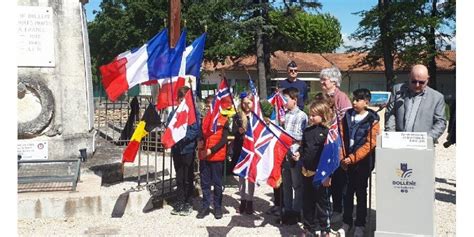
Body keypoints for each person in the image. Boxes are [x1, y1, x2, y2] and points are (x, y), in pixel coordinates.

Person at [338, 89, 380, 237]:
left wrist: (353, 158)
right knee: (346, 193)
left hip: (362, 163)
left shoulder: (373, 119)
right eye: (353, 99)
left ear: (366, 102)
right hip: (347, 161)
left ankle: (360, 224)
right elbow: (342, 135)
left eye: (357, 100)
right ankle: (346, 222)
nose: (354, 102)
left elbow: (371, 143)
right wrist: (343, 156)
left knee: (361, 193)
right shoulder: (347, 116)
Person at [293, 100, 332, 237]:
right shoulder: (307, 131)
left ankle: (325, 229)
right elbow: (304, 148)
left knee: (322, 204)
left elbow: (330, 155)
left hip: (320, 174)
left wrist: (328, 175)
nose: (311, 117)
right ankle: (308, 228)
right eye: (310, 115)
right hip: (306, 172)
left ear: (323, 115)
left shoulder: (327, 133)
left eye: (314, 115)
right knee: (307, 202)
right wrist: (299, 154)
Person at [319, 66, 352, 223]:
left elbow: (346, 123)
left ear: (333, 81)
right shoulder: (323, 97)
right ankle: (326, 209)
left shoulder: (341, 97)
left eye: (324, 80)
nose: (321, 83)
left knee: (338, 179)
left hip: (336, 144)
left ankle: (339, 210)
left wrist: (341, 148)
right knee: (326, 178)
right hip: (323, 143)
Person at [385, 64, 447, 142]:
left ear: (427, 79)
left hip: (423, 143)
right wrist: (391, 135)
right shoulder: (397, 90)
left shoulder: (437, 97)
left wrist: (427, 139)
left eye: (421, 82)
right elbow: (390, 113)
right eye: (413, 81)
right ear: (409, 77)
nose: (417, 85)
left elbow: (440, 122)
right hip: (398, 141)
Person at [196, 98, 232, 219]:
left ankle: (217, 207)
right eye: (206, 106)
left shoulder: (224, 120)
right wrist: (200, 141)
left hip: (217, 156)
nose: (207, 108)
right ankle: (205, 206)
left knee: (217, 183)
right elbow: (201, 134)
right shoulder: (204, 120)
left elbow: (224, 140)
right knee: (205, 183)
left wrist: (212, 150)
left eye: (209, 106)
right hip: (204, 156)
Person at [169, 86, 200, 216]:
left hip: (187, 149)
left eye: (184, 97)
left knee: (188, 177)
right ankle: (180, 201)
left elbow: (195, 130)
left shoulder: (194, 113)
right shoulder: (174, 113)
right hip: (177, 149)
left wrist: (183, 138)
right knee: (179, 177)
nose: (182, 100)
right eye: (180, 97)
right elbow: (169, 127)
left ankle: (188, 201)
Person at [280, 87, 308, 224]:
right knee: (286, 184)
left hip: (295, 154)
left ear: (294, 100)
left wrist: (289, 138)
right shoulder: (283, 115)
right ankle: (287, 210)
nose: (283, 102)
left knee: (297, 184)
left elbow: (304, 137)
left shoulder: (302, 116)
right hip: (284, 155)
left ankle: (297, 211)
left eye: (286, 99)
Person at [232, 92, 256, 214]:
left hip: (251, 150)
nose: (246, 105)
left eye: (249, 103)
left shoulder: (256, 116)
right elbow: (233, 130)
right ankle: (243, 201)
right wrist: (239, 131)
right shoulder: (237, 116)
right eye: (244, 103)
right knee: (241, 177)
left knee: (251, 176)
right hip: (240, 149)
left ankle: (250, 201)